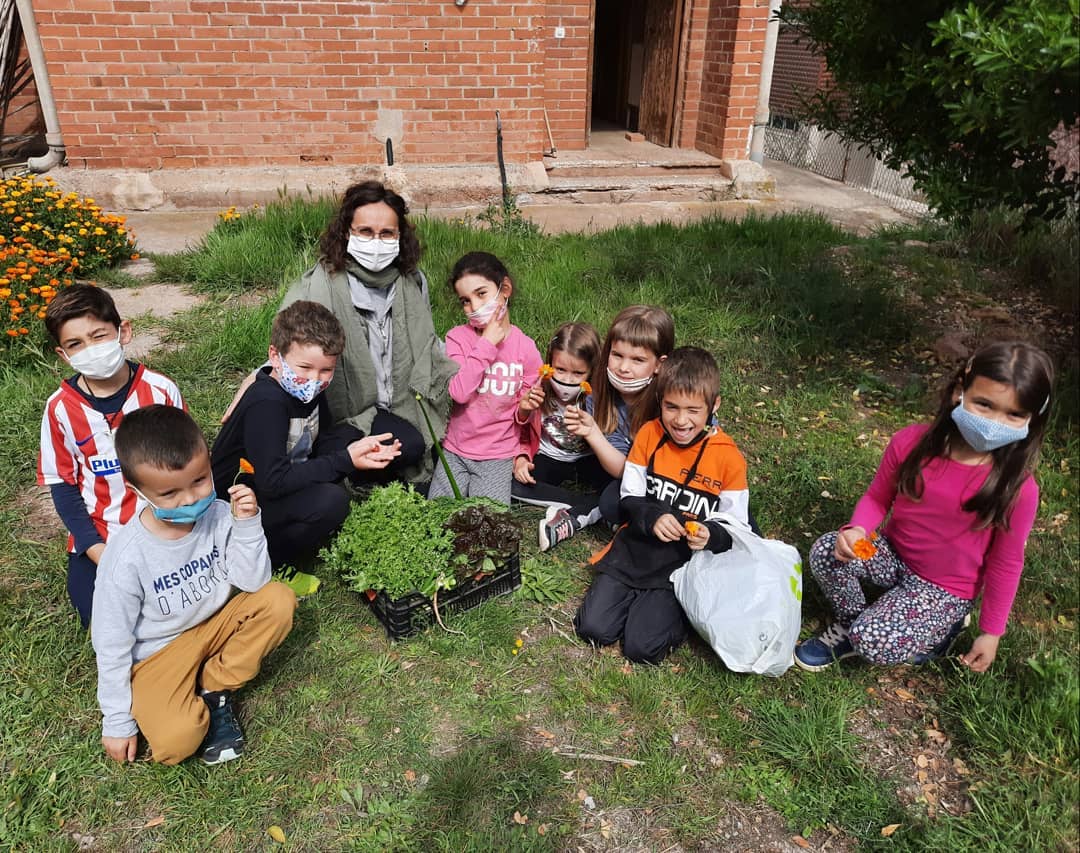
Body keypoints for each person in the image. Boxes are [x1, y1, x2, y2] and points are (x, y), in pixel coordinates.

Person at [794, 341, 1054, 673]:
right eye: (984, 404)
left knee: (872, 640)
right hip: (890, 554)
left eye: (1014, 414)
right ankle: (851, 624)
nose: (995, 422)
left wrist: (991, 633)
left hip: (944, 588)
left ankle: (941, 628)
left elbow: (1006, 562)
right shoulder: (910, 443)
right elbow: (877, 498)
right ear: (959, 391)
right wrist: (858, 529)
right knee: (827, 551)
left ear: (1032, 418)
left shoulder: (1018, 488)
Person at [93, 405, 296, 766]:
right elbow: (111, 643)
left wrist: (247, 525)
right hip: (159, 653)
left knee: (278, 599)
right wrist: (117, 721)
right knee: (177, 742)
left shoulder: (218, 514)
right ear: (136, 489)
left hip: (214, 623)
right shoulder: (126, 557)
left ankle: (215, 684)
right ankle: (187, 694)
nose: (189, 499)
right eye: (169, 493)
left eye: (200, 480)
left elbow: (254, 582)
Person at [225, 180, 458, 486]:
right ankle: (335, 465)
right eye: (365, 231)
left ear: (400, 236)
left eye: (386, 233)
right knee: (390, 447)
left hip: (398, 403)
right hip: (343, 411)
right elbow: (290, 349)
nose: (376, 241)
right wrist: (255, 379)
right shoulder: (317, 286)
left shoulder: (413, 282)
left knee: (413, 444)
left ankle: (352, 466)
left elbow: (427, 342)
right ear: (347, 232)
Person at [211, 301, 402, 596]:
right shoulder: (268, 403)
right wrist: (345, 461)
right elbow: (273, 482)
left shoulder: (304, 389)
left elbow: (322, 438)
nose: (315, 380)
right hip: (237, 505)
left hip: (278, 477)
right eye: (305, 368)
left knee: (344, 436)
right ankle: (270, 561)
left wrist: (355, 455)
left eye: (327, 370)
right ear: (275, 356)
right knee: (331, 501)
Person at [574, 347, 750, 664]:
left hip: (682, 567)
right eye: (671, 407)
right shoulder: (649, 434)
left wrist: (710, 535)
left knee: (641, 648)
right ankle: (630, 596)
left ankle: (676, 613)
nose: (681, 420)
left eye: (693, 410)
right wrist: (651, 516)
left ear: (715, 405)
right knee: (593, 629)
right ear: (660, 401)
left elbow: (737, 527)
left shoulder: (729, 458)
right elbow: (628, 496)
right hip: (634, 551)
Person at [37, 283, 185, 628]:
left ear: (123, 331)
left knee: (180, 607)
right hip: (102, 538)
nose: (91, 349)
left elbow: (186, 465)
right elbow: (63, 486)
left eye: (99, 335)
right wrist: (96, 550)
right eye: (76, 344)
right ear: (64, 355)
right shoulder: (59, 409)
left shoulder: (161, 391)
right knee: (101, 618)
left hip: (166, 528)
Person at [538, 305, 675, 551]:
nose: (624, 368)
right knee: (613, 501)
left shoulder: (672, 398)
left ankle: (588, 514)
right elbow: (623, 471)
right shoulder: (599, 398)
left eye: (638, 360)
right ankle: (610, 517)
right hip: (632, 479)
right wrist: (592, 433)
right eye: (617, 355)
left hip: (675, 481)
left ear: (659, 364)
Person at [427, 252, 543, 504]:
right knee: (437, 514)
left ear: (505, 289)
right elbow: (459, 392)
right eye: (465, 301)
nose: (475, 307)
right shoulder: (457, 338)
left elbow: (525, 418)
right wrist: (487, 343)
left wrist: (524, 409)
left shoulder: (527, 350)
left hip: (497, 453)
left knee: (488, 520)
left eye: (481, 294)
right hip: (455, 449)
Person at [512, 322, 604, 509]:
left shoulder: (598, 396)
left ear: (592, 371)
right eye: (560, 370)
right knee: (515, 484)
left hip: (587, 458)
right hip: (548, 456)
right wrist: (521, 458)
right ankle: (576, 503)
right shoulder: (537, 389)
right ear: (550, 365)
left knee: (615, 482)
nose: (567, 380)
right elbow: (519, 431)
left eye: (578, 373)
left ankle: (598, 504)